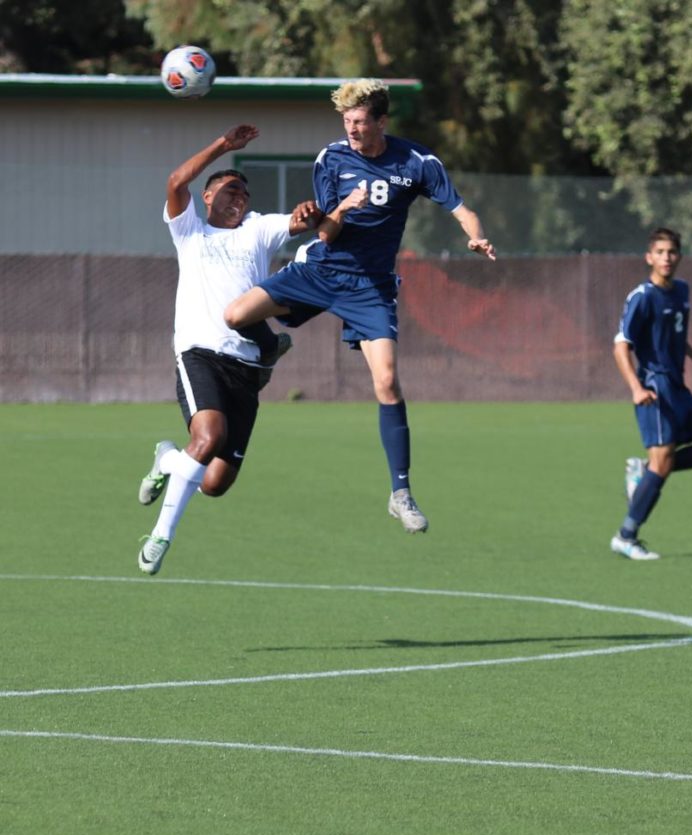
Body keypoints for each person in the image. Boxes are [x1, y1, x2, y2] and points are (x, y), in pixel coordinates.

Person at [223, 78, 496, 534]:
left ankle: (401, 493)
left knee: (387, 382)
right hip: (320, 271)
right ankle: (269, 349)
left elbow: (461, 208)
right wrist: (344, 206)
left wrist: (475, 235)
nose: (351, 128)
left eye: (359, 121)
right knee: (236, 316)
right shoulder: (331, 159)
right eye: (346, 121)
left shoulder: (416, 162)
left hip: (370, 286)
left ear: (381, 122)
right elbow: (325, 235)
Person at [137, 124, 322, 575]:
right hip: (199, 352)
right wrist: (224, 146)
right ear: (207, 197)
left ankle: (167, 457)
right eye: (229, 189)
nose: (239, 197)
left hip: (247, 366)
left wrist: (306, 214)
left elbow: (298, 223)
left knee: (216, 482)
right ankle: (160, 536)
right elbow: (175, 183)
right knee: (208, 438)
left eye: (244, 193)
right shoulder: (191, 233)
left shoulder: (257, 230)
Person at [610, 227, 692, 560]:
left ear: (679, 256)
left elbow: (673, 331)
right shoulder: (642, 296)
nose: (666, 258)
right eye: (660, 252)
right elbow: (621, 346)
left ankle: (644, 471)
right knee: (661, 464)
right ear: (649, 257)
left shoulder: (682, 291)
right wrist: (635, 387)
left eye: (672, 252)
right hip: (654, 388)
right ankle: (626, 536)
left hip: (679, 387)